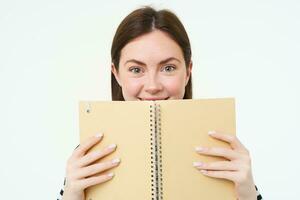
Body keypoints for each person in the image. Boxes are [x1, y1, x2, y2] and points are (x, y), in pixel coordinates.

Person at [58, 6, 262, 200]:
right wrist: (70, 196)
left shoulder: (223, 151)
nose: (153, 86)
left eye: (168, 68)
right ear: (117, 74)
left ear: (188, 71)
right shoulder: (89, 155)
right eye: (136, 70)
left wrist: (249, 196)